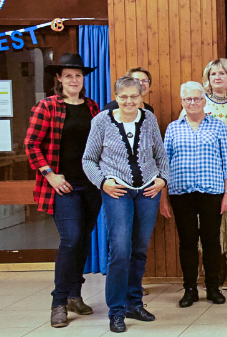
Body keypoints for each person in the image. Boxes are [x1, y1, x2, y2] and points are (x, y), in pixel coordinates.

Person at [82, 76, 169, 333]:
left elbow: (161, 155)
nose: (129, 101)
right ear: (116, 97)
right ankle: (116, 311)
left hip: (148, 191)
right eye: (124, 97)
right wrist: (102, 182)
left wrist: (162, 180)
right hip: (116, 191)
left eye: (134, 96)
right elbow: (88, 160)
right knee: (120, 249)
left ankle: (134, 303)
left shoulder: (149, 119)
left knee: (140, 248)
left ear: (141, 95)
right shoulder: (101, 121)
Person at [25, 53, 101, 328]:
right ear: (59, 78)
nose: (73, 80)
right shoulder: (46, 107)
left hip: (90, 185)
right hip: (62, 186)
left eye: (78, 75)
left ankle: (74, 295)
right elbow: (31, 144)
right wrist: (50, 175)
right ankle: (58, 302)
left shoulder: (93, 107)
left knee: (82, 241)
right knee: (70, 240)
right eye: (68, 75)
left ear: (83, 79)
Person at [175, 58, 227, 289]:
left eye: (222, 73)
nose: (217, 77)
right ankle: (208, 273)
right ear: (207, 79)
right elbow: (180, 137)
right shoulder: (196, 101)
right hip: (204, 174)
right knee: (204, 229)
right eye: (213, 74)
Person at [163, 81, 227, 307]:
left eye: (196, 98)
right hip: (180, 192)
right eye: (188, 99)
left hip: (211, 192)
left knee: (211, 241)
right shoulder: (173, 128)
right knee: (187, 242)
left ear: (205, 101)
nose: (192, 103)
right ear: (182, 102)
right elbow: (164, 165)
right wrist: (163, 198)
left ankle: (213, 287)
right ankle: (190, 289)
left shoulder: (218, 127)